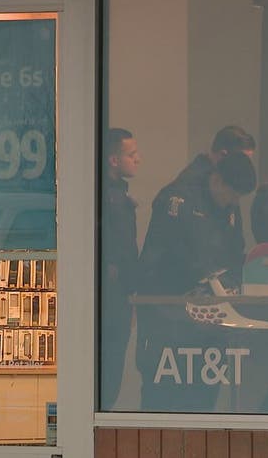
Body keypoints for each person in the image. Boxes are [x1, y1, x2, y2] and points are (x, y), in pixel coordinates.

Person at [135, 151, 257, 411]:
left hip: (208, 320)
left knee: (203, 398)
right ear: (218, 181)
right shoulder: (178, 201)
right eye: (232, 195)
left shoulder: (228, 208)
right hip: (167, 314)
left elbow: (235, 252)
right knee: (163, 396)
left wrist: (231, 285)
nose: (232, 203)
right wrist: (202, 280)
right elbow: (166, 257)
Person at [99, 128, 140, 409]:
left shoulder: (118, 197)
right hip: (113, 298)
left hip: (119, 294)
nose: (139, 160)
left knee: (112, 366)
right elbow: (119, 248)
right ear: (114, 160)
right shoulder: (106, 199)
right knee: (109, 365)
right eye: (132, 154)